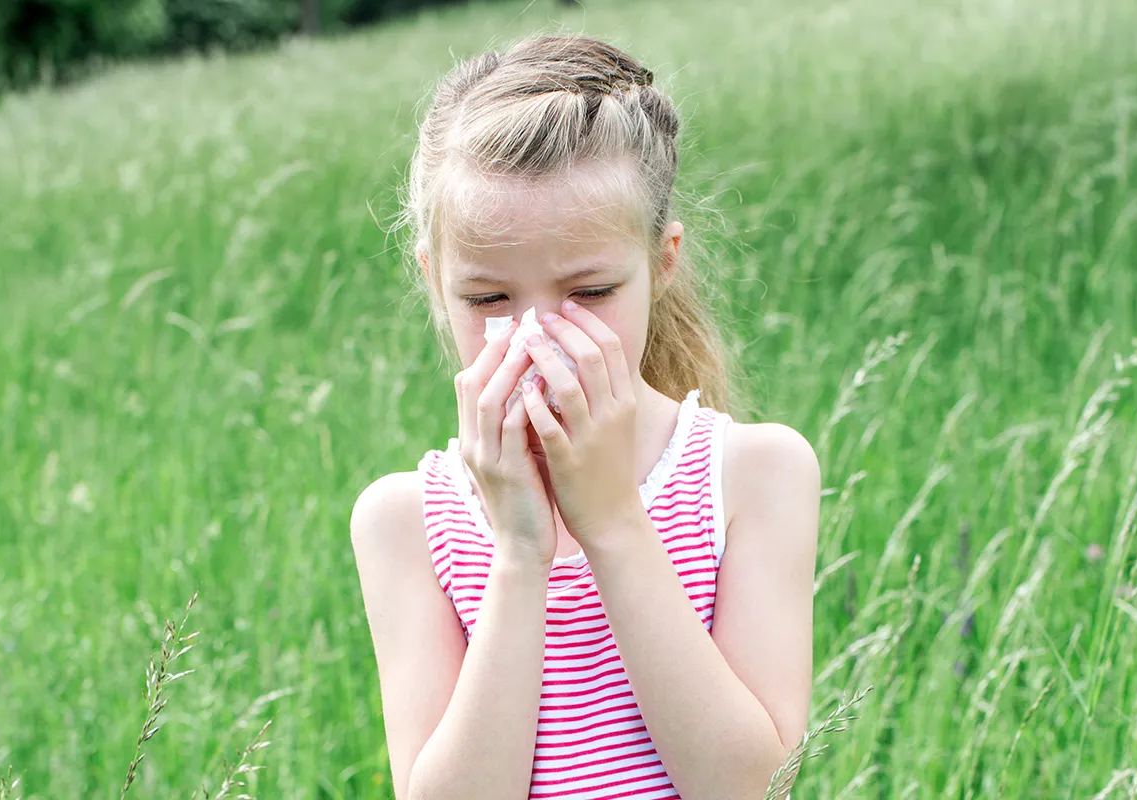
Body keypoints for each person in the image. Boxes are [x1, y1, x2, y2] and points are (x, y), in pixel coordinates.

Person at [350, 34, 820, 800]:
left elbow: (747, 788)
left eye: (591, 292)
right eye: (488, 300)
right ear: (435, 283)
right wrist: (518, 556)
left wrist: (611, 522)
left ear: (661, 263)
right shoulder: (407, 521)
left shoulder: (753, 476)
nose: (538, 337)